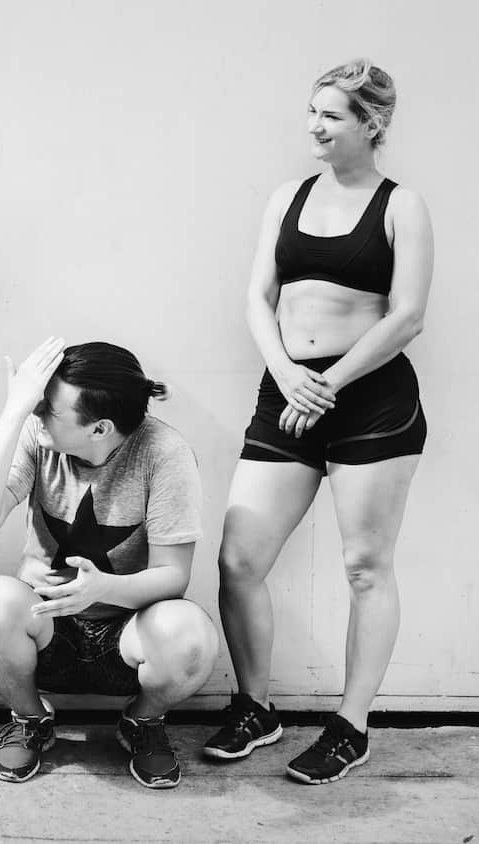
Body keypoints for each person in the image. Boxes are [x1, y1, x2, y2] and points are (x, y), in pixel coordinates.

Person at [204, 59, 432, 785]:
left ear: (372, 123)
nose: (314, 126)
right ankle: (256, 709)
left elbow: (408, 317)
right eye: (312, 111)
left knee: (367, 567)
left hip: (370, 400)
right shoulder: (288, 196)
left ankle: (351, 725)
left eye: (331, 115)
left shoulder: (402, 206)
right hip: (289, 391)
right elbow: (256, 296)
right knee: (239, 561)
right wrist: (285, 376)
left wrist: (327, 383)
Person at [0, 340, 216, 788]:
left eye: (46, 408)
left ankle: (143, 721)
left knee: (191, 636)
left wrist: (103, 590)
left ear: (99, 429)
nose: (38, 413)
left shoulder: (163, 452)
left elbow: (174, 575)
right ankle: (32, 719)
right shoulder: (36, 435)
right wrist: (12, 413)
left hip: (127, 635)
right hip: (47, 629)